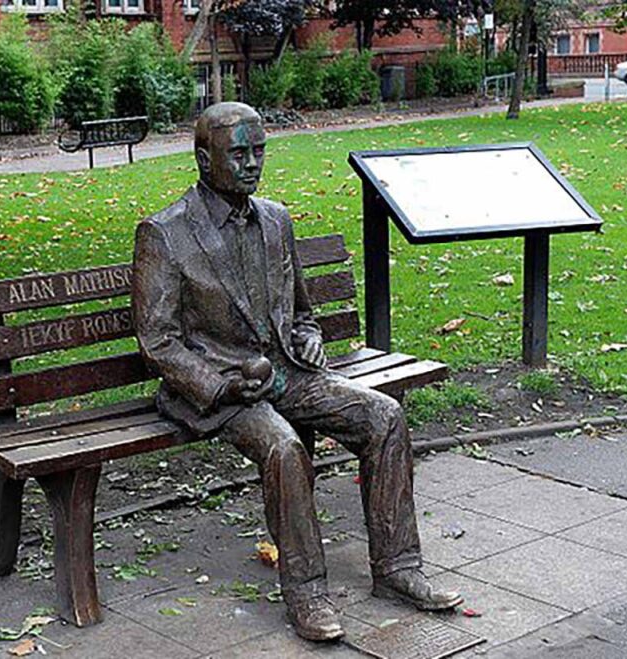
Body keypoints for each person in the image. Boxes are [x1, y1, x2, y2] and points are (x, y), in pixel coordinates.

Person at [131, 102, 462, 642]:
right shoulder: (166, 233)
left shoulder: (276, 219)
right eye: (238, 153)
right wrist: (218, 383)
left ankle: (399, 568)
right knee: (284, 448)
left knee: (384, 416)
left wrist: (307, 339)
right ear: (202, 158)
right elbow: (158, 341)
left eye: (258, 150)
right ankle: (307, 592)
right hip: (218, 391)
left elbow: (302, 313)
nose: (251, 163)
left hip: (286, 373)